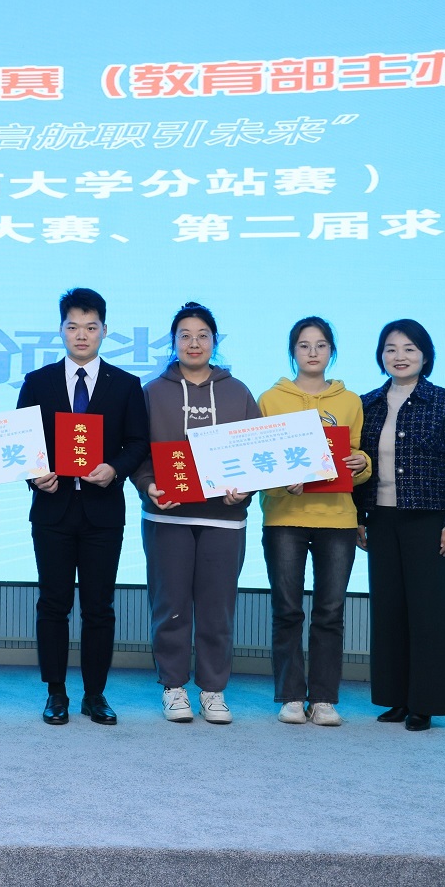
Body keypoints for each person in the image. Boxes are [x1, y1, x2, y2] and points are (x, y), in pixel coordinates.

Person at [18, 287, 149, 726]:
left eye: (90, 327)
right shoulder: (38, 382)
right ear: (61, 330)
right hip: (52, 509)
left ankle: (95, 694)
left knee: (99, 606)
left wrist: (115, 468)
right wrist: (35, 475)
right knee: (53, 603)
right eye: (73, 326)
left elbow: (138, 443)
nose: (81, 335)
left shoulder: (126, 385)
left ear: (104, 331)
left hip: (103, 512)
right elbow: (22, 443)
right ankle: (55, 692)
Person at [131, 303, 259, 724]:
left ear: (215, 341)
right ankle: (173, 687)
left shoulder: (238, 392)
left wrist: (246, 489)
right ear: (173, 342)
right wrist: (148, 485)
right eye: (184, 335)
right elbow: (137, 451)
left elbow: (256, 453)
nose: (194, 343)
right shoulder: (152, 392)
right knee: (169, 605)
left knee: (217, 608)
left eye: (203, 335)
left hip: (224, 518)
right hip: (166, 517)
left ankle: (213, 690)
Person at [355, 319, 445, 732]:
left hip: (430, 520)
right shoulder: (367, 404)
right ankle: (397, 698)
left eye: (409, 349)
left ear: (425, 356)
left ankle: (425, 703)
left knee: (427, 612)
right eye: (390, 349)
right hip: (382, 519)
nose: (399, 356)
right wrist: (358, 517)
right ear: (381, 356)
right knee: (388, 610)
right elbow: (358, 468)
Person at [258, 316, 372, 726]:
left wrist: (362, 463)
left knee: (330, 612)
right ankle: (291, 696)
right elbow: (258, 462)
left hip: (337, 518)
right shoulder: (270, 399)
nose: (312, 352)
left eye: (321, 345)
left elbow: (357, 458)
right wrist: (280, 483)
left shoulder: (350, 401)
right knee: (287, 609)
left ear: (331, 352)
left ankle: (324, 698)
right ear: (292, 352)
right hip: (284, 519)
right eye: (304, 345)